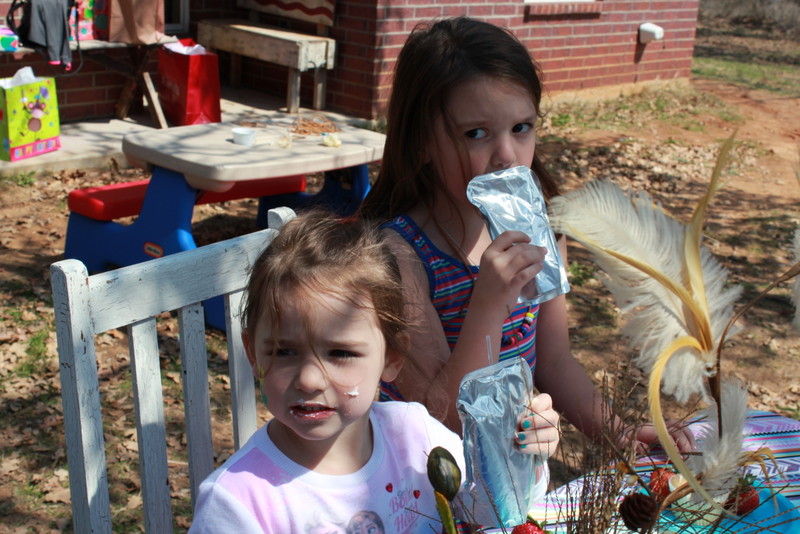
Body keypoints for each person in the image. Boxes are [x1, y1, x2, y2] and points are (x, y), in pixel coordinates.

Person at [357, 17, 694, 453]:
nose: (507, 155)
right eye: (476, 134)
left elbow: (553, 361)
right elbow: (443, 420)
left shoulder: (542, 230)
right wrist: (489, 303)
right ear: (421, 142)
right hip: (423, 477)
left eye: (521, 128)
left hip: (516, 471)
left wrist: (620, 434)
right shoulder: (398, 256)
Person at [189, 210, 560, 533]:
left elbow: (489, 510)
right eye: (284, 352)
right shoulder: (239, 502)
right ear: (253, 353)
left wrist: (521, 453)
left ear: (392, 357)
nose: (309, 379)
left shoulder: (414, 436)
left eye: (340, 353)